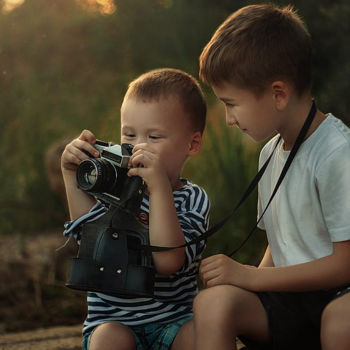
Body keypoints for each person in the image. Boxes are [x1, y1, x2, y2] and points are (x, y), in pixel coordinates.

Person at [193, 4, 350, 350]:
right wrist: (247, 282)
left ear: (278, 94)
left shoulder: (337, 153)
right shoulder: (270, 153)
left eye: (231, 103)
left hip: (341, 297)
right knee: (213, 303)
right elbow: (280, 246)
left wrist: (251, 276)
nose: (229, 118)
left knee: (341, 322)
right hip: (292, 301)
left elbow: (345, 263)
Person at [61, 68, 210, 350]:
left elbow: (168, 263)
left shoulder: (194, 199)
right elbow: (87, 239)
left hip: (174, 322)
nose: (138, 146)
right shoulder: (112, 187)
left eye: (154, 137)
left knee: (200, 336)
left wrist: (159, 191)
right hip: (113, 322)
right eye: (128, 135)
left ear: (192, 144)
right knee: (108, 339)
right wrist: (71, 175)